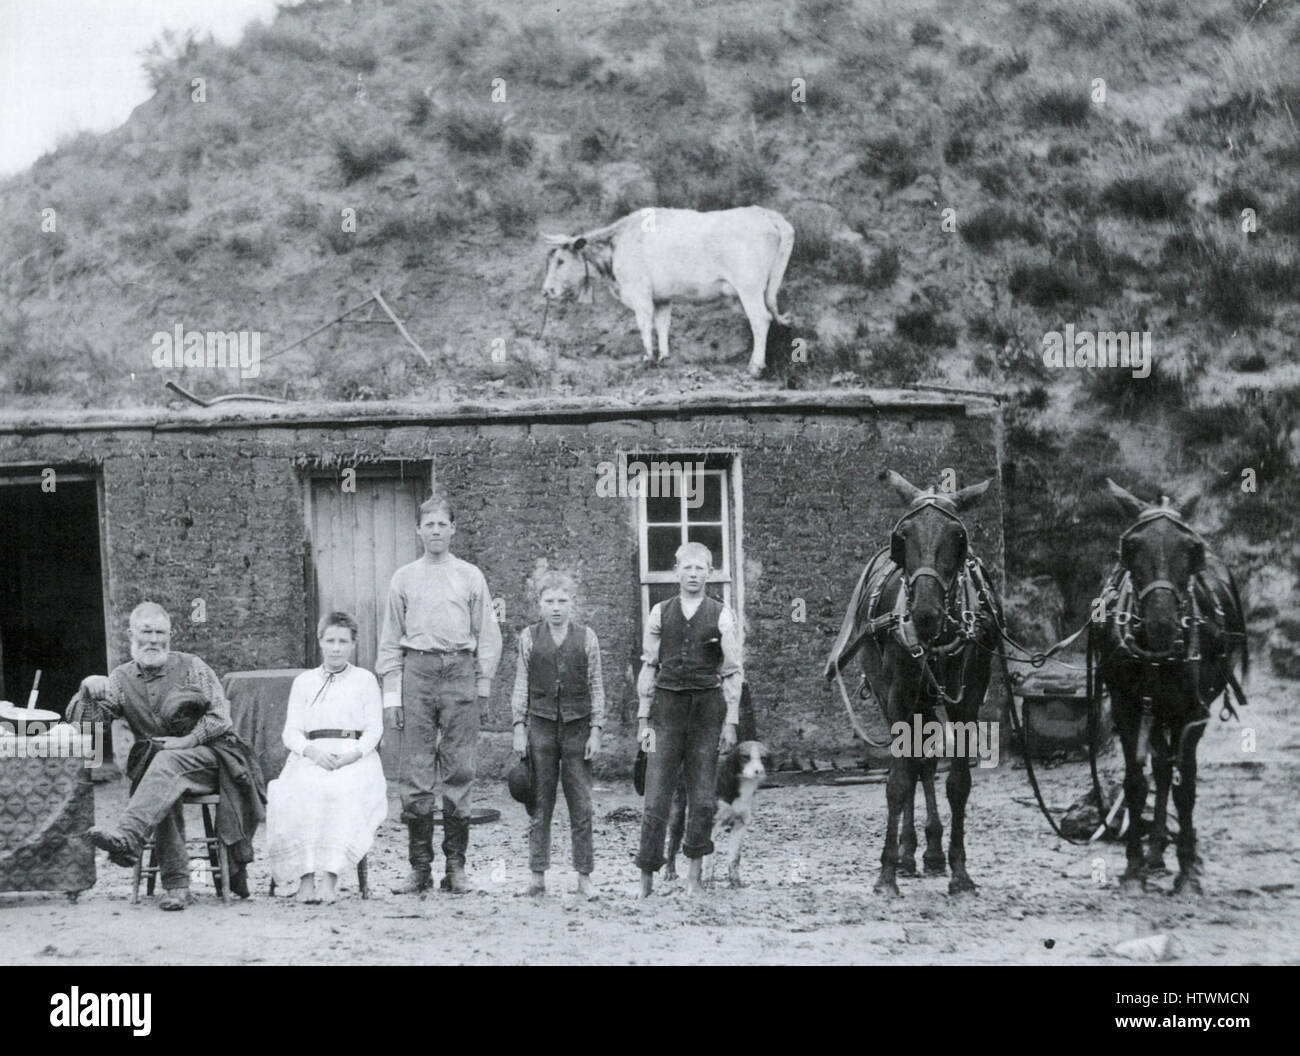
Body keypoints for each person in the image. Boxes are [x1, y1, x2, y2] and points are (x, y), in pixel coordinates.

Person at [73, 602, 264, 911]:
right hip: (164, 768)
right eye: (146, 631)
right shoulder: (121, 679)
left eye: (160, 632)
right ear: (131, 634)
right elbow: (88, 727)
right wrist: (86, 691)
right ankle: (177, 887)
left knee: (162, 762)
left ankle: (128, 837)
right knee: (160, 770)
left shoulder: (192, 667)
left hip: (213, 759)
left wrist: (187, 740)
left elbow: (220, 717)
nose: (153, 640)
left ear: (170, 635)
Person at [377, 492, 502, 894]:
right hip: (418, 670)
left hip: (459, 670)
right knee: (415, 773)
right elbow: (390, 641)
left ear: (453, 529)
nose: (435, 530)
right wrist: (393, 696)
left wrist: (481, 686)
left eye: (441, 524)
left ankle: (456, 868)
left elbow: (488, 637)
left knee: (459, 769)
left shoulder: (470, 575)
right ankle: (418, 869)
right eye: (427, 524)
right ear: (418, 530)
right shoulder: (404, 577)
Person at [635, 542, 744, 897]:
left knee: (701, 798)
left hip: (706, 712)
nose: (694, 574)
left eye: (701, 568)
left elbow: (731, 672)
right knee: (655, 798)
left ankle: (695, 877)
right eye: (687, 568)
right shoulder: (659, 612)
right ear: (676, 571)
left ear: (710, 573)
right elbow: (649, 666)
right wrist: (642, 719)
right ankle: (647, 880)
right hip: (665, 711)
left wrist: (730, 721)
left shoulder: (721, 614)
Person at [265, 611, 387, 904]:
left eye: (343, 641)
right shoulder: (304, 682)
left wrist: (349, 756)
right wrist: (313, 752)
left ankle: (330, 880)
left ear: (353, 644)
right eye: (330, 640)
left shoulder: (365, 680)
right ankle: (306, 879)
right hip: (312, 755)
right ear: (320, 642)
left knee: (340, 791)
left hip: (354, 757)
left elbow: (374, 730)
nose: (336, 648)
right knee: (296, 792)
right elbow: (291, 732)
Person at [509, 571, 606, 898]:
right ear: (539, 604)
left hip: (578, 728)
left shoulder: (587, 637)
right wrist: (519, 727)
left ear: (573, 603)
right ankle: (537, 877)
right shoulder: (529, 637)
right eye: (549, 601)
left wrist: (596, 730)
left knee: (581, 804)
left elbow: (596, 686)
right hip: (541, 726)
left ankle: (584, 877)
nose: (556, 608)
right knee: (540, 802)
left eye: (562, 601)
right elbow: (521, 683)